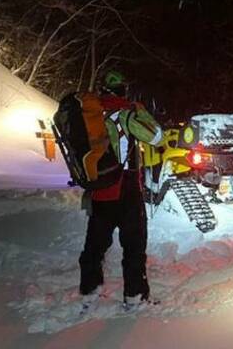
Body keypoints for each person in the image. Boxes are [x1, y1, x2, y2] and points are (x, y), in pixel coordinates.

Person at [79, 70, 163, 308]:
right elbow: (157, 136)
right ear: (122, 90)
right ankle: (134, 296)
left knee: (94, 245)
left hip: (98, 187)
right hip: (125, 187)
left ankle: (89, 291)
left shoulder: (90, 114)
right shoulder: (126, 113)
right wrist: (140, 109)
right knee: (134, 245)